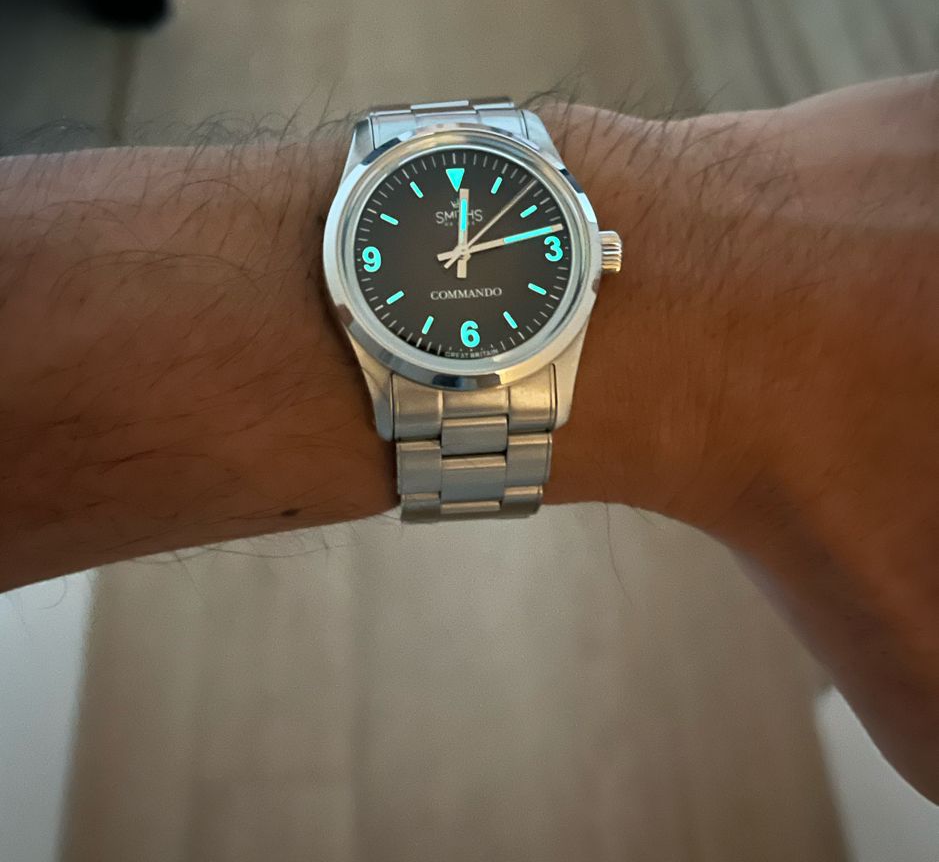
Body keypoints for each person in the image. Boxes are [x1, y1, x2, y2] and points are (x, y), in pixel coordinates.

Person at [1, 73, 936, 800]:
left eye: (467, 252)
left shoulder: (563, 257)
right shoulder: (359, 264)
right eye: (452, 252)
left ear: (595, 254)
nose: (455, 259)